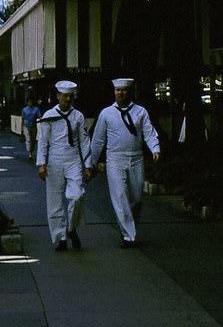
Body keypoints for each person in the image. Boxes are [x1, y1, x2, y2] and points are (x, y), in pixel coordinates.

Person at [88, 78, 161, 248]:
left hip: (136, 158)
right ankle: (128, 236)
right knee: (120, 196)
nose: (120, 93)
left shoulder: (140, 111)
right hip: (115, 159)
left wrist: (155, 148)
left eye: (124, 90)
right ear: (114, 92)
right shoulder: (106, 113)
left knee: (136, 197)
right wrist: (90, 163)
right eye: (117, 90)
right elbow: (98, 140)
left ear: (130, 92)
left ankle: (128, 227)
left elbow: (149, 132)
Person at [36, 80, 92, 251]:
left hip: (73, 158)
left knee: (76, 196)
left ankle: (71, 227)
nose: (68, 99)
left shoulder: (78, 116)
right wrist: (41, 163)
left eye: (70, 96)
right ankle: (60, 237)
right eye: (64, 96)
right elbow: (43, 141)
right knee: (54, 201)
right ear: (58, 96)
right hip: (54, 159)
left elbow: (84, 142)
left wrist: (87, 165)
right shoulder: (48, 116)